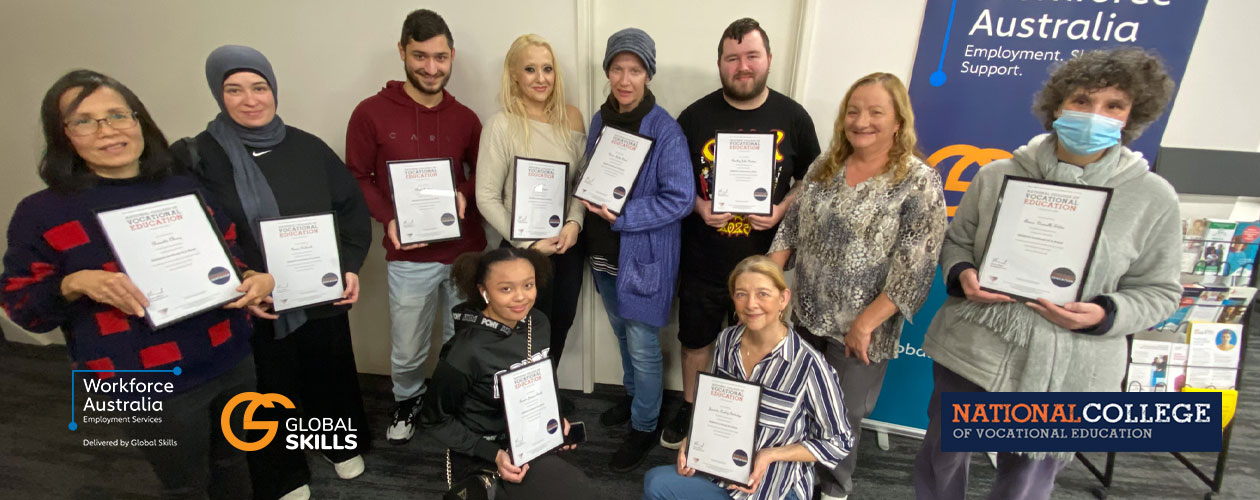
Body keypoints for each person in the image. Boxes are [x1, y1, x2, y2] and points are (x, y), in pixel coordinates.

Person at [915, 47, 1182, 500]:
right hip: (978, 350)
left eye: (1113, 106)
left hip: (1070, 365)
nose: (1095, 115)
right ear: (1057, 105)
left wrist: (1102, 313)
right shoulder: (998, 174)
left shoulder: (1153, 197)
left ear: (1132, 116)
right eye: (1082, 101)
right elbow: (958, 240)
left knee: (1027, 482)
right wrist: (962, 273)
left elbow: (1160, 290)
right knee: (943, 460)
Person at [2, 69, 274, 499]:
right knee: (185, 484)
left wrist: (255, 279)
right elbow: (22, 310)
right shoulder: (42, 213)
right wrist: (73, 282)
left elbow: (230, 260)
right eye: (84, 120)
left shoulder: (185, 188)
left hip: (229, 357)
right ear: (63, 135)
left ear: (139, 121)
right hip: (143, 380)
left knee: (233, 461)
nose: (107, 130)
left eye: (117, 115)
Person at [174, 45, 373, 500]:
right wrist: (237, 282)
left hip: (319, 294)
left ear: (273, 89)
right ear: (217, 93)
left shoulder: (309, 148)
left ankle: (333, 444)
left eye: (259, 87)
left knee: (328, 371)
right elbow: (190, 235)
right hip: (250, 304)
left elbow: (349, 210)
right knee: (267, 387)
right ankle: (282, 472)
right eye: (235, 89)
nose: (250, 99)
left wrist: (348, 266)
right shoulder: (196, 157)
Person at [768, 72, 947, 500]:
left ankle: (832, 489)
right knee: (799, 401)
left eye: (875, 112)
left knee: (841, 415)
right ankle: (792, 482)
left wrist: (866, 324)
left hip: (862, 328)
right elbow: (789, 233)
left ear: (898, 122)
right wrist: (767, 291)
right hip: (807, 315)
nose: (861, 120)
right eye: (853, 111)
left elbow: (915, 267)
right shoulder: (825, 166)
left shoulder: (918, 181)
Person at [662, 17, 821, 450]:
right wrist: (698, 205)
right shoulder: (694, 117)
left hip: (763, 264)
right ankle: (693, 408)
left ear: (768, 59)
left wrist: (782, 207)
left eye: (752, 56)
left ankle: (745, 417)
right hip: (703, 258)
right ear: (720, 64)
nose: (743, 66)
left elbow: (814, 177)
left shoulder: (793, 116)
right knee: (696, 342)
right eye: (733, 58)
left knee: (757, 344)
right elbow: (671, 178)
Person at [345, 8, 487, 445]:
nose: (431, 67)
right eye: (420, 56)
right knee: (408, 345)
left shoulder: (466, 117)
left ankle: (453, 403)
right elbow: (357, 176)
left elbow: (485, 171)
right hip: (409, 255)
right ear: (402, 52)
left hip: (465, 253)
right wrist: (387, 218)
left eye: (440, 57)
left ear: (452, 56)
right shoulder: (370, 113)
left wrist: (465, 189)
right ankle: (407, 399)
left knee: (459, 339)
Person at [642, 255, 852, 500]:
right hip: (724, 471)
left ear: (783, 299)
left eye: (763, 294)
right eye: (741, 294)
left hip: (774, 486)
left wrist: (770, 455)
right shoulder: (726, 341)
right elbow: (716, 407)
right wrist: (693, 440)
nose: (751, 304)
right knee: (655, 483)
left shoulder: (810, 365)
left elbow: (840, 441)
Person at [580, 27, 694, 472]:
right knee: (623, 337)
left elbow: (680, 198)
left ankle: (645, 426)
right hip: (604, 255)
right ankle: (633, 403)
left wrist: (622, 215)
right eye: (617, 68)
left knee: (644, 346)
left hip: (644, 258)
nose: (625, 79)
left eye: (635, 69)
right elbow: (594, 177)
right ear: (608, 71)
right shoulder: (599, 119)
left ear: (648, 74)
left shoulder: (665, 130)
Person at [419, 247, 594, 499]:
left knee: (580, 491)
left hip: (529, 441)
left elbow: (544, 380)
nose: (521, 297)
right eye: (506, 289)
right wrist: (494, 454)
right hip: (481, 449)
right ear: (483, 291)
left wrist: (554, 417)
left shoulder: (539, 323)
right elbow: (434, 420)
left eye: (528, 285)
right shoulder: (466, 350)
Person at [475, 34, 587, 376]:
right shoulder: (501, 124)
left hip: (567, 246)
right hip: (523, 252)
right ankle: (520, 402)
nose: (541, 78)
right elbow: (486, 197)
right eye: (530, 69)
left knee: (559, 325)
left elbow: (582, 185)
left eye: (548, 69)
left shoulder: (572, 118)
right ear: (514, 76)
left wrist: (574, 224)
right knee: (524, 333)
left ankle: (546, 393)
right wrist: (529, 246)